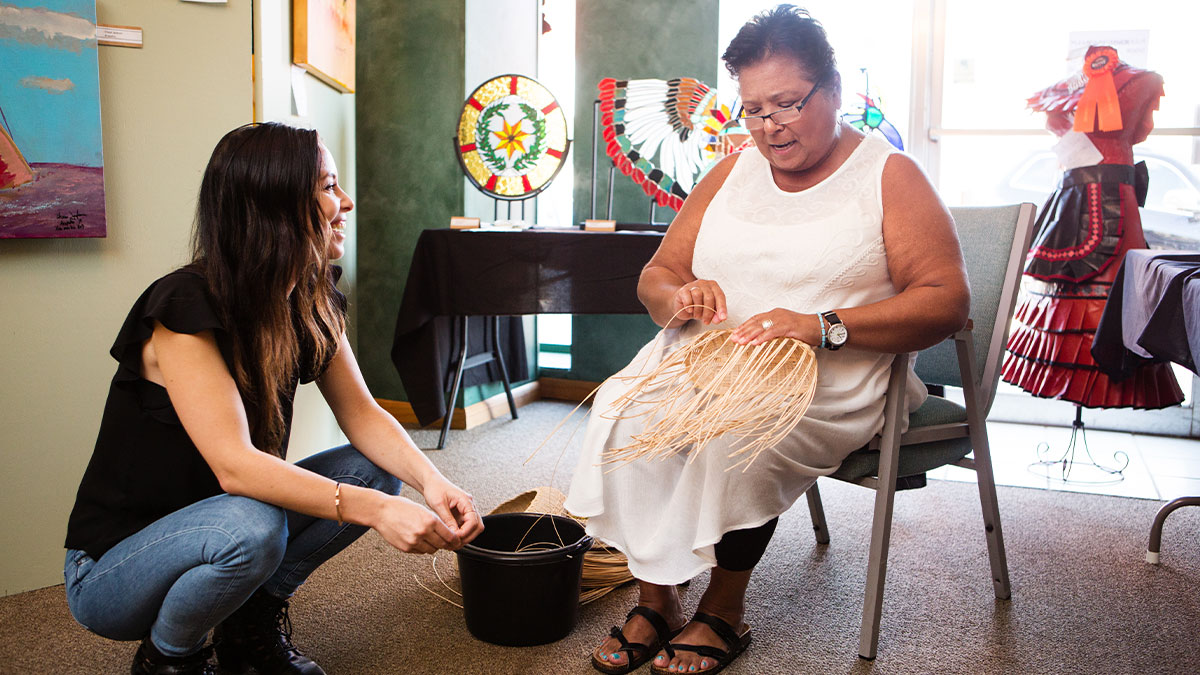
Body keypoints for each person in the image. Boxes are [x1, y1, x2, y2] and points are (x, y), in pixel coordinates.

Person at [564, 6, 969, 674]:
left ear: (833, 91)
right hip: (703, 358)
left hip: (829, 375)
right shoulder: (730, 171)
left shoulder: (890, 175)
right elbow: (657, 276)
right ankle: (657, 598)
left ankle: (723, 608)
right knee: (622, 409)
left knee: (735, 435)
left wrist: (820, 325)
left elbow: (946, 301)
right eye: (752, 109)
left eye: (787, 103)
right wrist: (680, 297)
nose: (768, 125)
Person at [63, 122, 484, 675]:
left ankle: (247, 626)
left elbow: (362, 414)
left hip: (227, 521)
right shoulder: (184, 306)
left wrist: (433, 482)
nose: (346, 202)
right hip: (114, 569)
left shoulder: (308, 296)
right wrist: (380, 511)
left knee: (375, 469)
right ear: (275, 205)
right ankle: (169, 658)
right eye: (329, 187)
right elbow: (235, 466)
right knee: (253, 526)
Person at [1001, 46, 1183, 409]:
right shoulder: (1067, 87)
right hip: (1071, 197)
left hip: (1109, 199)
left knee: (1117, 292)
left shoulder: (1141, 81)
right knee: (1068, 288)